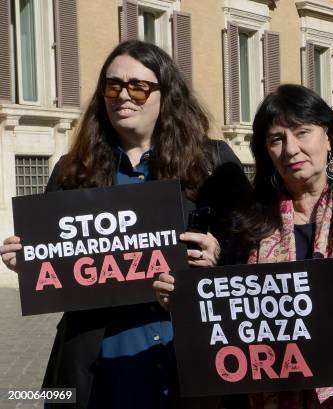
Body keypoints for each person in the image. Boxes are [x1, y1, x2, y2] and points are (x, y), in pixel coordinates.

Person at [0, 40, 247, 409]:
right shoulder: (71, 171)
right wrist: (30, 261)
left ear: (167, 95)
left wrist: (219, 257)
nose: (123, 96)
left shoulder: (213, 164)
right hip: (96, 370)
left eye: (138, 86)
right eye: (112, 86)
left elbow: (255, 255)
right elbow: (55, 268)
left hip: (189, 362)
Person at [154, 84, 333, 408]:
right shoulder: (246, 227)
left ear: (329, 135)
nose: (290, 149)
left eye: (302, 132)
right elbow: (232, 324)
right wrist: (189, 298)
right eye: (276, 139)